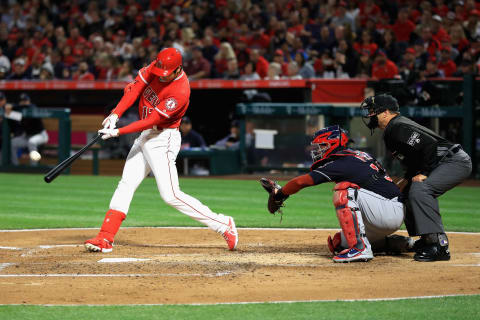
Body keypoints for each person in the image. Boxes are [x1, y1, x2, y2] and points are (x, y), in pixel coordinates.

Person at [84, 48, 238, 253]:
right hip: (145, 135)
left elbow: (152, 120)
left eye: (166, 75)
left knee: (171, 195)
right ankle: (105, 237)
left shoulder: (180, 92)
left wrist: (118, 131)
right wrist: (115, 114)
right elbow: (135, 89)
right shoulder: (156, 67)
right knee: (126, 183)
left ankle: (223, 224)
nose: (161, 77)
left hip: (162, 138)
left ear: (178, 70)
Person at [262, 125, 411, 263]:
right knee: (338, 244)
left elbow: (302, 182)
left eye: (321, 146)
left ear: (332, 144)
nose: (317, 150)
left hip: (387, 210)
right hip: (385, 210)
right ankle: (400, 244)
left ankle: (360, 249)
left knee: (344, 190)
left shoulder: (342, 162)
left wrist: (280, 194)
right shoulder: (354, 155)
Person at [360, 94, 472, 262]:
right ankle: (427, 241)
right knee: (406, 191)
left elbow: (429, 146)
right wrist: (406, 179)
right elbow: (414, 157)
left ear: (386, 113)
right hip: (442, 161)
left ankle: (439, 245)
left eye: (372, 111)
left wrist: (425, 172)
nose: (370, 115)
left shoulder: (398, 126)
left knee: (421, 189)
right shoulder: (394, 128)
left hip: (453, 161)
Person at [9, 93, 49, 165]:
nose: (24, 102)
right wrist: (10, 107)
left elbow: (31, 107)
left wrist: (14, 106)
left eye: (25, 100)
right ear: (19, 102)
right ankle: (15, 165)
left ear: (29, 101)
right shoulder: (19, 113)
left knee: (32, 142)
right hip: (27, 136)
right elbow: (9, 113)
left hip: (40, 135)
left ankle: (33, 166)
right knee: (12, 143)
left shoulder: (33, 108)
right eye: (22, 101)